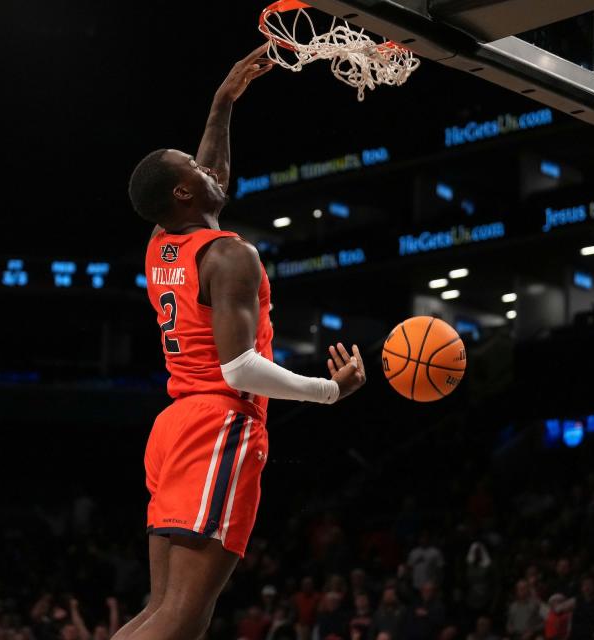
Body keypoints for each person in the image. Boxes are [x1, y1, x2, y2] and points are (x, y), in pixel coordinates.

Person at [118, 45, 368, 640]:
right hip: (220, 423)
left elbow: (212, 181)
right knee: (179, 618)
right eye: (193, 170)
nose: (208, 172)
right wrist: (328, 391)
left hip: (176, 425)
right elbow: (240, 368)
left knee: (166, 611)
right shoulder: (230, 256)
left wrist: (221, 105)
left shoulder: (163, 241)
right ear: (182, 195)